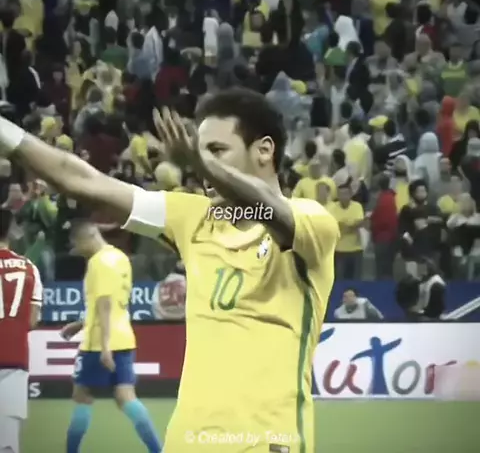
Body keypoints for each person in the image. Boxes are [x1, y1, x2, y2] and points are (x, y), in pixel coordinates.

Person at [0, 87, 339, 453]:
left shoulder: (312, 223)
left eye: (217, 150)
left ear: (264, 150)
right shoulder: (192, 218)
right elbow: (82, 180)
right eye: (200, 151)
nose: (203, 166)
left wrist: (200, 162)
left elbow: (269, 210)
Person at [60, 220, 161, 453]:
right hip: (124, 338)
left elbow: (104, 304)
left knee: (82, 395)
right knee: (125, 396)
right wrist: (80, 323)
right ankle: (158, 450)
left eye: (76, 244)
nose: (77, 249)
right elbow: (112, 302)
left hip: (99, 341)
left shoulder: (99, 262)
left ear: (86, 238)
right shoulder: (120, 257)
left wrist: (105, 347)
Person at [0, 207, 43, 453]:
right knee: (7, 438)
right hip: (14, 358)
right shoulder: (29, 268)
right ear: (10, 231)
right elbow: (32, 321)